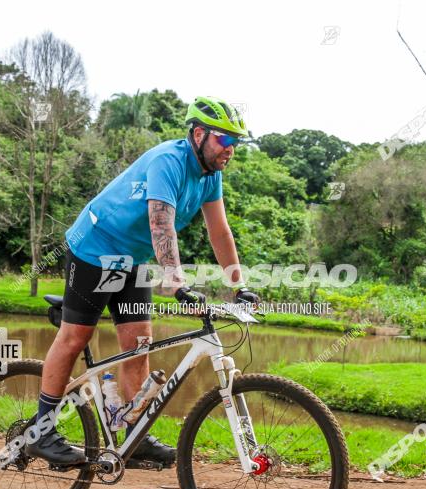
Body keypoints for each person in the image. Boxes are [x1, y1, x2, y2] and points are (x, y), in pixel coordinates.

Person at [26, 96, 261, 467]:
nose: (230, 150)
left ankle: (133, 435)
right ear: (199, 134)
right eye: (225, 140)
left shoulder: (210, 175)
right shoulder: (169, 161)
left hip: (131, 259)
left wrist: (238, 284)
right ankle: (41, 430)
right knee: (76, 336)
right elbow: (161, 225)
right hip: (95, 247)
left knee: (139, 343)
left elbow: (220, 231)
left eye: (236, 143)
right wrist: (176, 282)